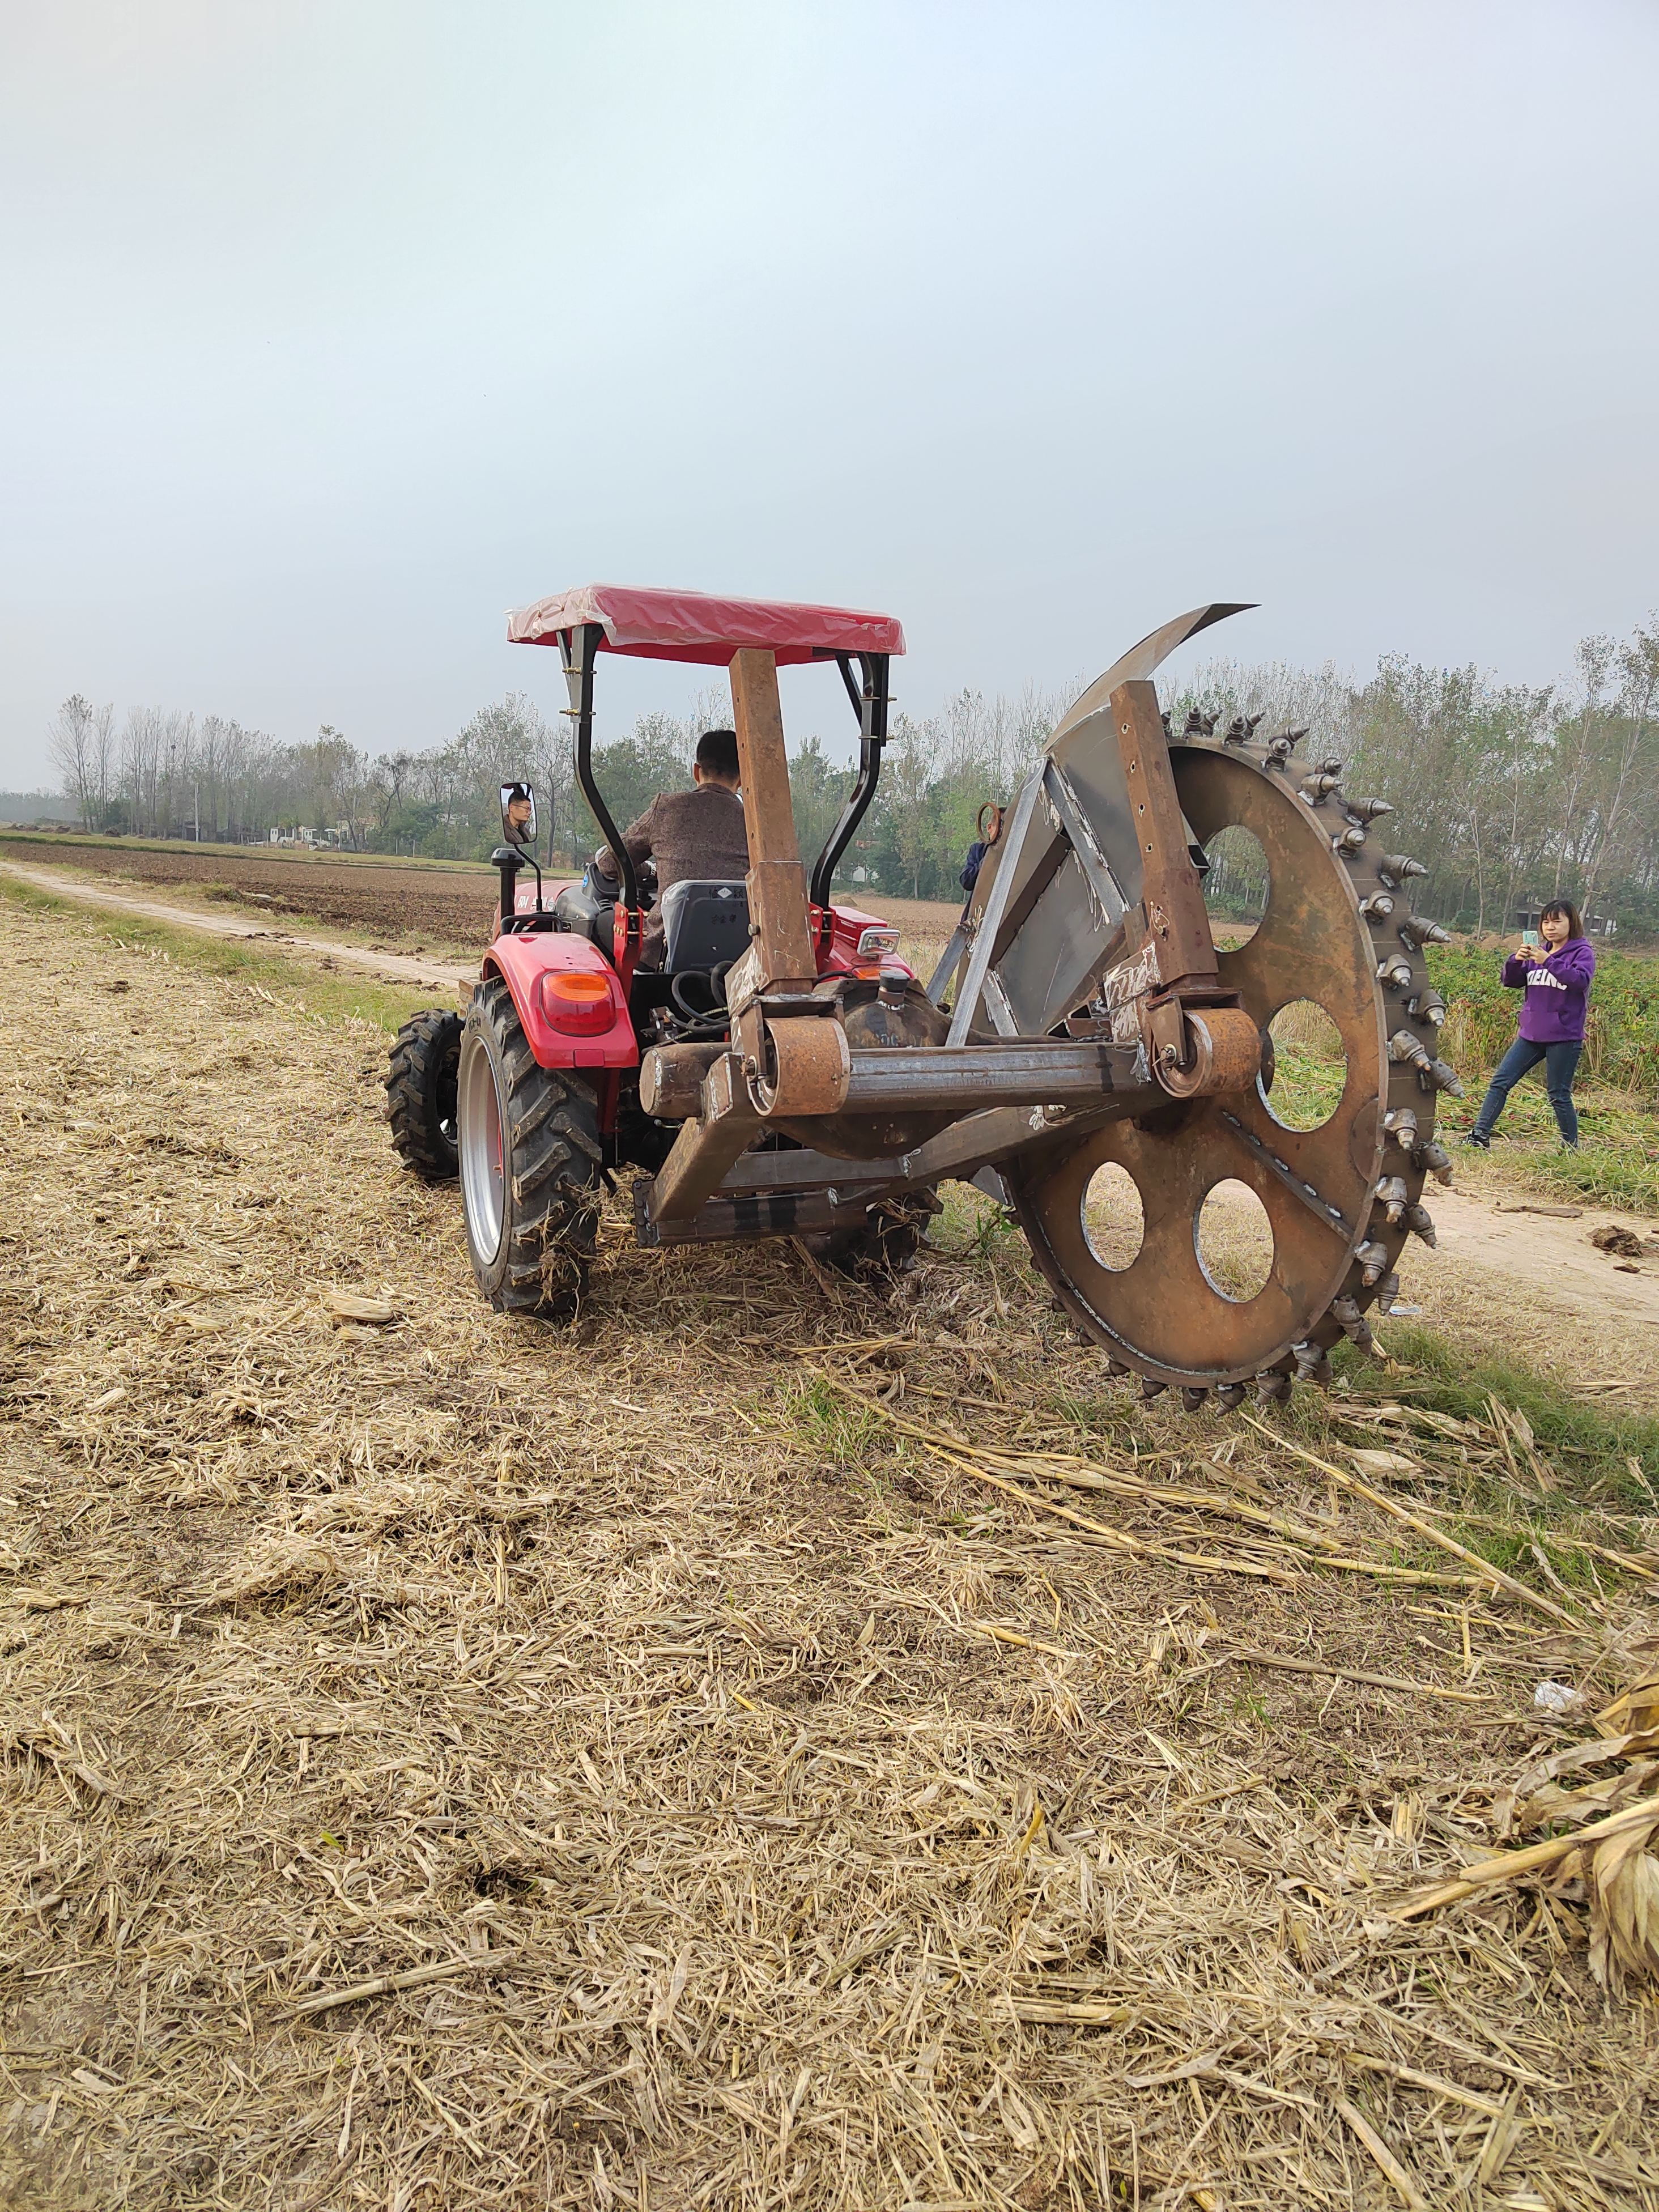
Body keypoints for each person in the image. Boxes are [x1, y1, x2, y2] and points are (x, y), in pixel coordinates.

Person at [593, 728, 748, 969]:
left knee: (601, 920)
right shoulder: (756, 823)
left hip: (663, 953)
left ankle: (628, 1002)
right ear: (742, 778)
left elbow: (609, 863)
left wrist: (648, 871)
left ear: (697, 771)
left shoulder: (667, 808)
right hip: (741, 957)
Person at [1467, 899, 1596, 1151]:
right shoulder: (1536, 951)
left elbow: (1580, 980)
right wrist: (1516, 960)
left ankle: (1570, 1148)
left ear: (1572, 923)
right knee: (1500, 1082)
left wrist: (1548, 960)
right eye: (1546, 922)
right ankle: (1480, 1135)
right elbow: (1511, 981)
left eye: (1558, 921)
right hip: (1531, 1033)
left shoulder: (1582, 952)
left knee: (1558, 1094)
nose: (1551, 927)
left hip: (1564, 1035)